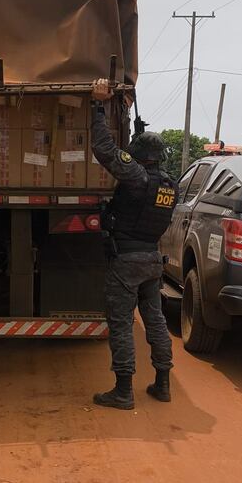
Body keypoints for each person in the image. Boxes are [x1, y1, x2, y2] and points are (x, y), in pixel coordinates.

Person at [89, 78, 178, 410]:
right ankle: (163, 383)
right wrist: (137, 130)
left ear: (139, 156)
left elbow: (105, 150)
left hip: (126, 260)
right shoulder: (169, 184)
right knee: (154, 319)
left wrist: (98, 108)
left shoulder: (137, 177)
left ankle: (123, 390)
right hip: (152, 261)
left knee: (122, 323)